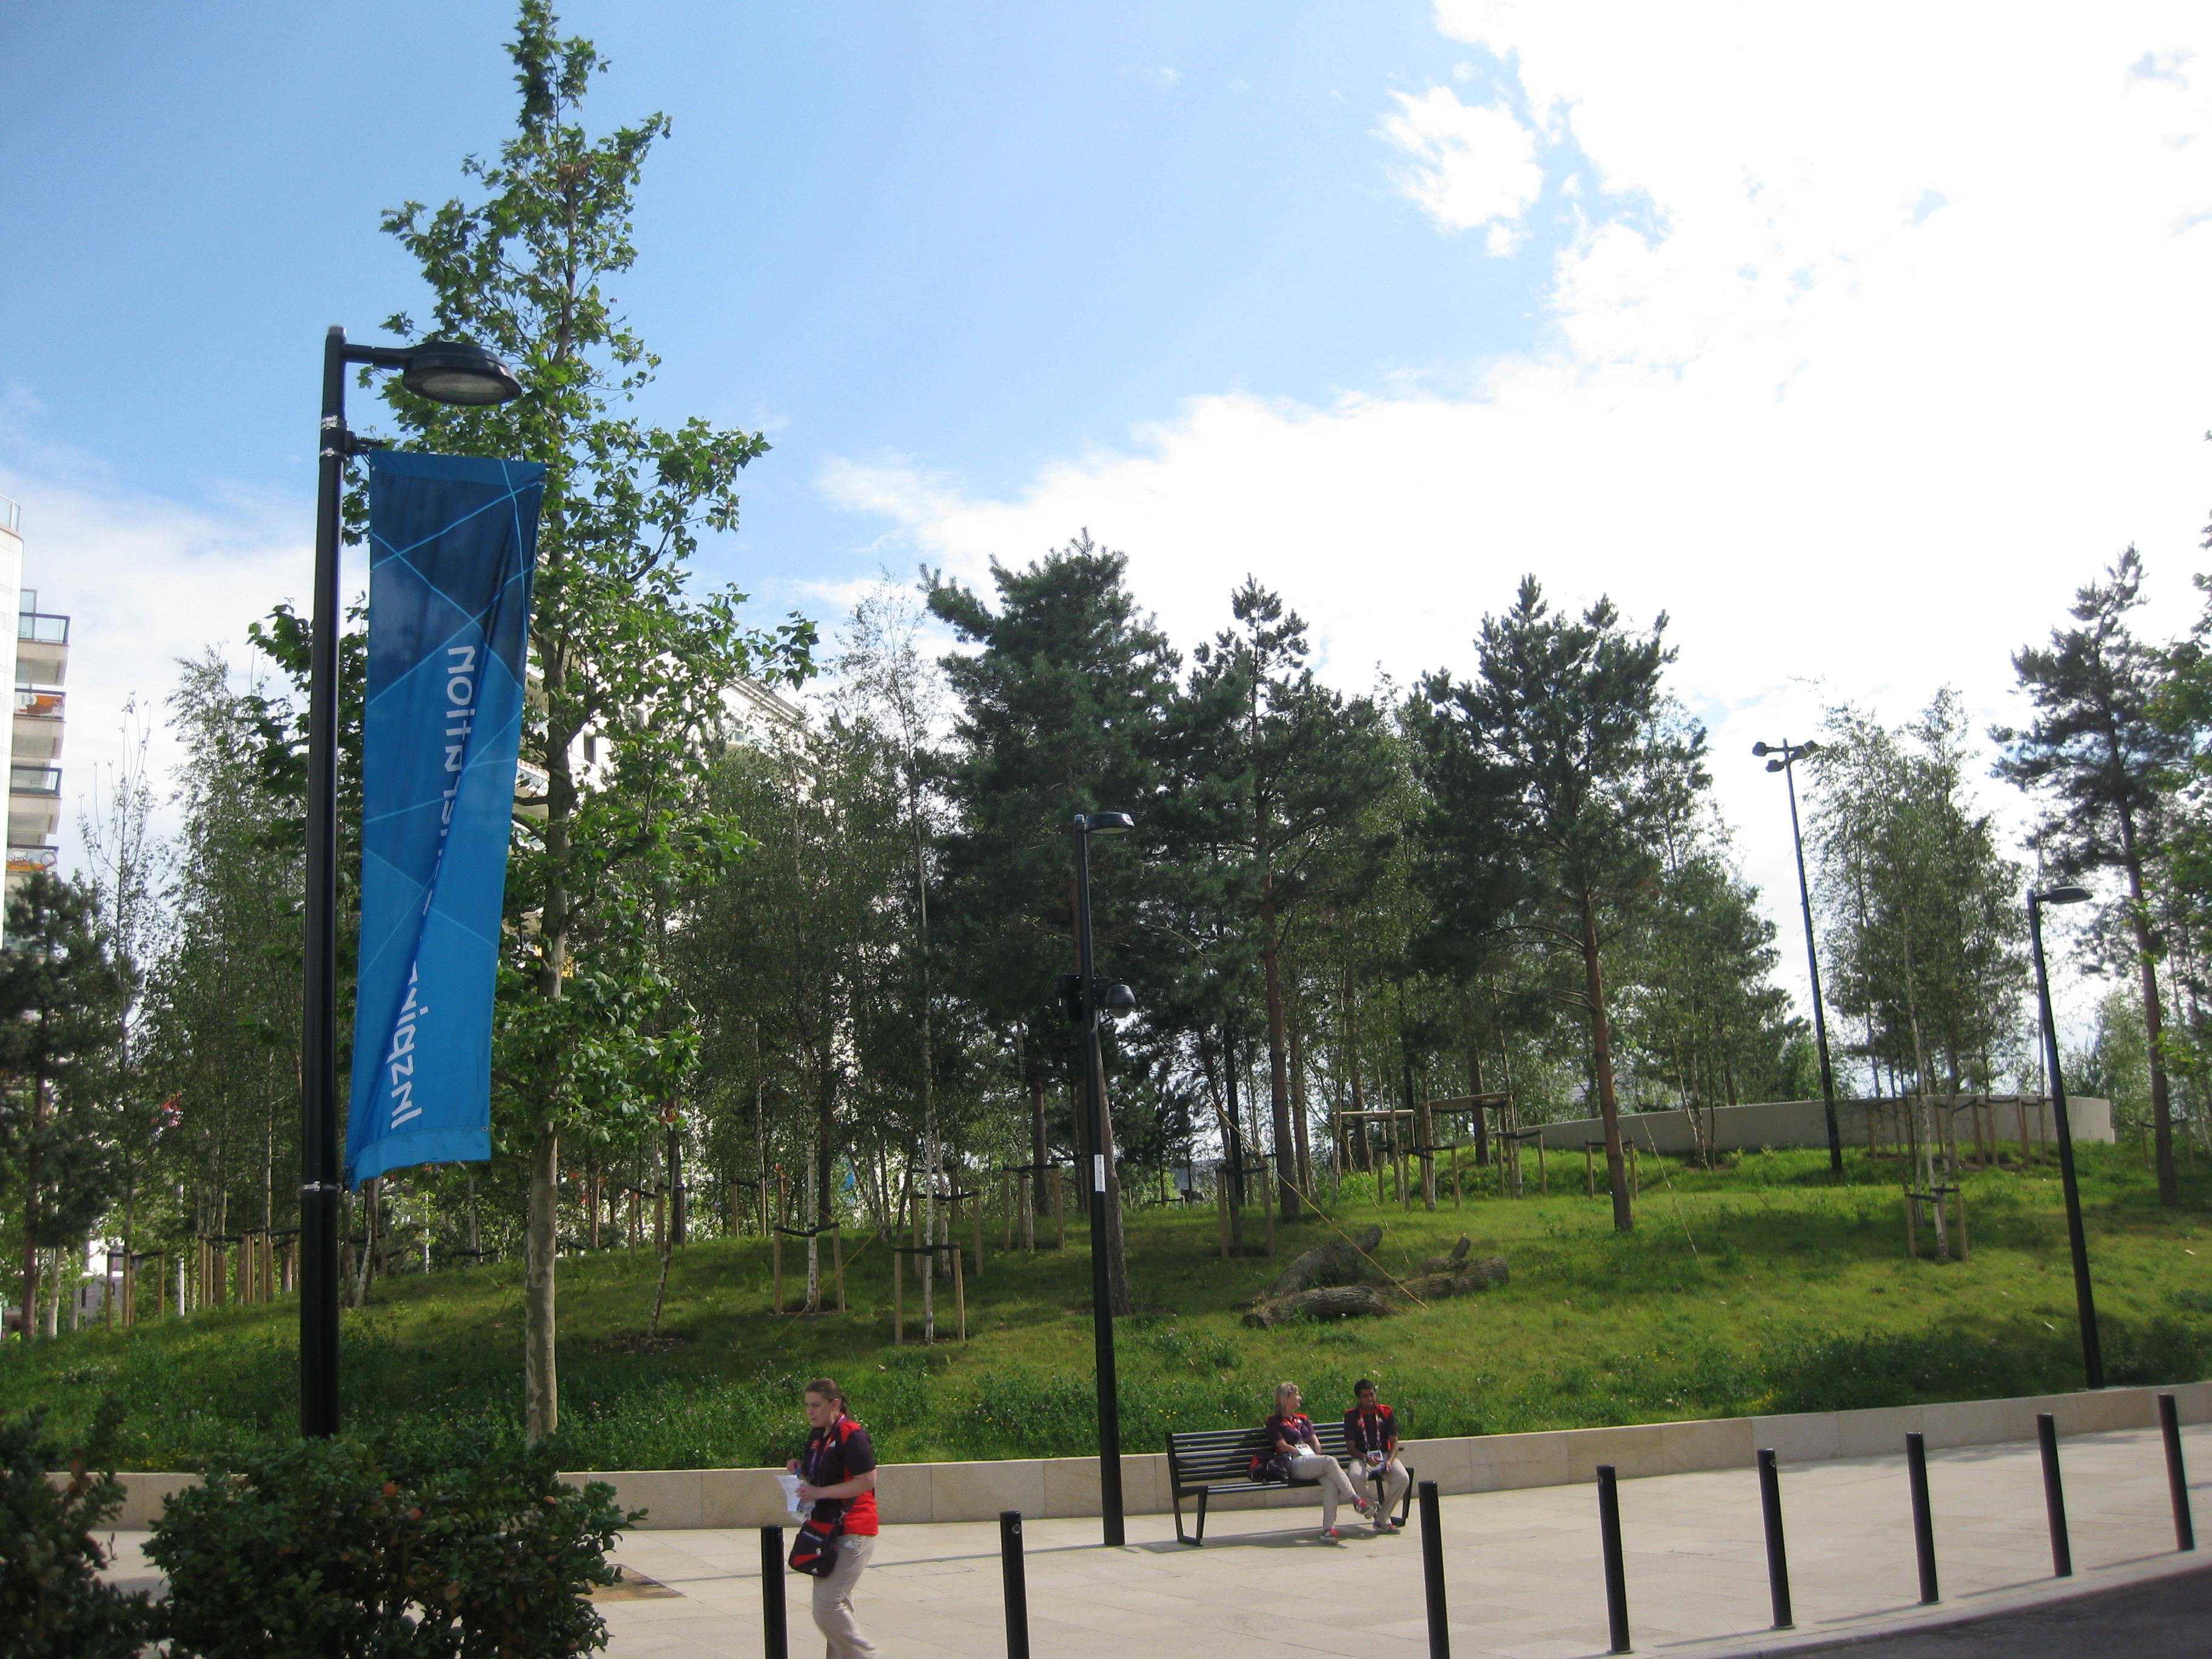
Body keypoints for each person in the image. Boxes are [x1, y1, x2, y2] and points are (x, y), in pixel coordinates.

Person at [788, 1376, 879, 1658]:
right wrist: (801, 1471)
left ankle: (867, 1656)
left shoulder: (852, 1434)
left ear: (835, 1404)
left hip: (854, 1528)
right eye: (806, 1406)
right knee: (838, 1604)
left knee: (827, 1606)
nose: (810, 1412)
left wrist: (820, 1492)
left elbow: (866, 1481)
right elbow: (824, 1476)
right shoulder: (818, 1435)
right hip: (825, 1530)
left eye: (816, 1405)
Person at [1265, 1380, 1369, 1540]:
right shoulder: (1274, 1421)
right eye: (1296, 1395)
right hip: (1293, 1462)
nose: (1300, 1398)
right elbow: (1281, 1444)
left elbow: (1314, 1439)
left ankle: (1329, 1530)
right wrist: (1300, 1452)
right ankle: (1356, 1500)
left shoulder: (1303, 1419)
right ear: (1286, 1399)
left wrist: (1316, 1449)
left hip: (1312, 1461)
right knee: (1329, 1461)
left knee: (1331, 1483)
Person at [1344, 1378, 1409, 1531]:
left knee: (1403, 1478)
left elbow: (1394, 1442)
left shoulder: (1386, 1412)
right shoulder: (1351, 1416)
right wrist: (1366, 1458)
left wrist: (1390, 1461)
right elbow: (1351, 1448)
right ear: (1359, 1398)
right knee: (1354, 1475)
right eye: (1365, 1396)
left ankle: (1382, 1519)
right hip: (1362, 1457)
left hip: (1385, 1455)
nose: (1370, 1399)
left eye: (1372, 1394)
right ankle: (1372, 1508)